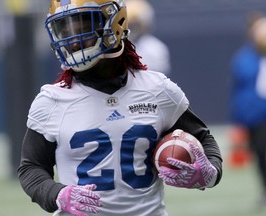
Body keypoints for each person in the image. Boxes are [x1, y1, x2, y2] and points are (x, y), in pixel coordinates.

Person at [17, 1, 223, 215]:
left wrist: (210, 173)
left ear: (113, 24)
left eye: (82, 29)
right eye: (65, 30)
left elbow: (204, 139)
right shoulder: (51, 100)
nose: (72, 42)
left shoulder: (157, 89)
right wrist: (56, 194)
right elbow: (31, 167)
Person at [230, 13, 266, 208]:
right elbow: (239, 90)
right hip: (255, 115)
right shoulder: (244, 58)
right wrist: (238, 119)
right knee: (260, 155)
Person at [126, 0, 171, 77]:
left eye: (134, 25)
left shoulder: (155, 49)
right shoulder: (115, 46)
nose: (131, 30)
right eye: (128, 25)